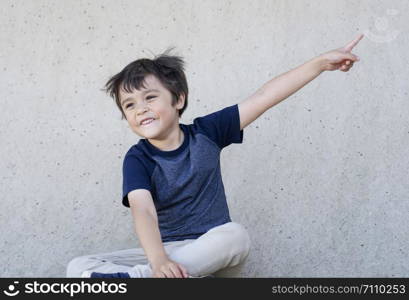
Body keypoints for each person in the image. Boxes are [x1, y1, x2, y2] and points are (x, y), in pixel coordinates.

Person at [66, 34, 363, 278]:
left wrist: (321, 63)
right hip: (164, 254)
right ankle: (153, 278)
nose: (140, 108)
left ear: (178, 98)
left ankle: (151, 279)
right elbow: (142, 210)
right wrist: (158, 262)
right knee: (78, 267)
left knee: (236, 235)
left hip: (211, 255)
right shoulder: (138, 158)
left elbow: (263, 97)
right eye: (129, 105)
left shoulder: (206, 132)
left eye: (150, 97)